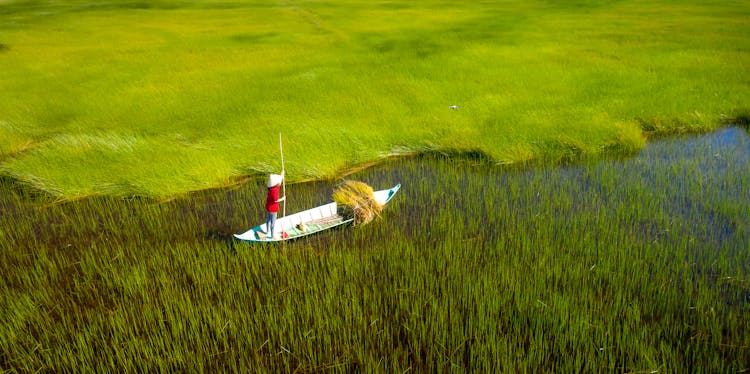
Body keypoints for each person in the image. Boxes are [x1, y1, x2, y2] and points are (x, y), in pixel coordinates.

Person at [265, 171, 285, 239]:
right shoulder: (275, 191)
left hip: (268, 207)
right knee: (273, 222)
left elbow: (279, 182)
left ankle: (267, 231)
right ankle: (272, 236)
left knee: (268, 220)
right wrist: (283, 199)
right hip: (273, 209)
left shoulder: (271, 188)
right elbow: (276, 200)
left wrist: (282, 174)